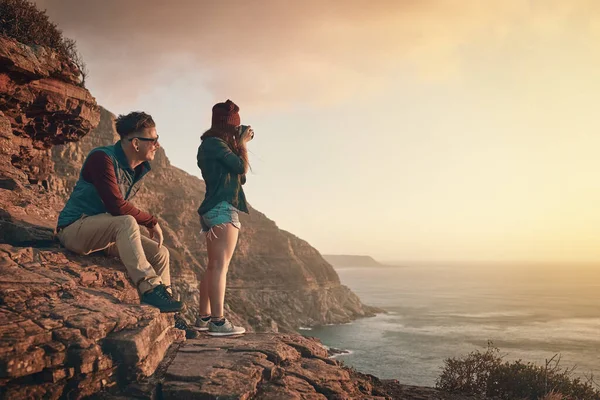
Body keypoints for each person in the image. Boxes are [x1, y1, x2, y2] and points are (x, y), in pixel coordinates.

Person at [56, 111, 197, 337]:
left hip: (104, 233)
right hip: (75, 229)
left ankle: (170, 317)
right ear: (135, 143)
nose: (157, 145)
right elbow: (116, 206)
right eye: (153, 140)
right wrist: (151, 221)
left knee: (161, 253)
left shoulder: (136, 169)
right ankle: (149, 288)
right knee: (126, 221)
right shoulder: (101, 158)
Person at [195, 100, 253, 336]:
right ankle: (218, 323)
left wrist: (236, 145)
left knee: (212, 267)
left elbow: (239, 177)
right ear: (230, 126)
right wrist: (242, 144)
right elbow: (242, 168)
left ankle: (203, 318)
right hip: (222, 210)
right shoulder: (216, 144)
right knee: (220, 266)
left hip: (212, 210)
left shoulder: (211, 146)